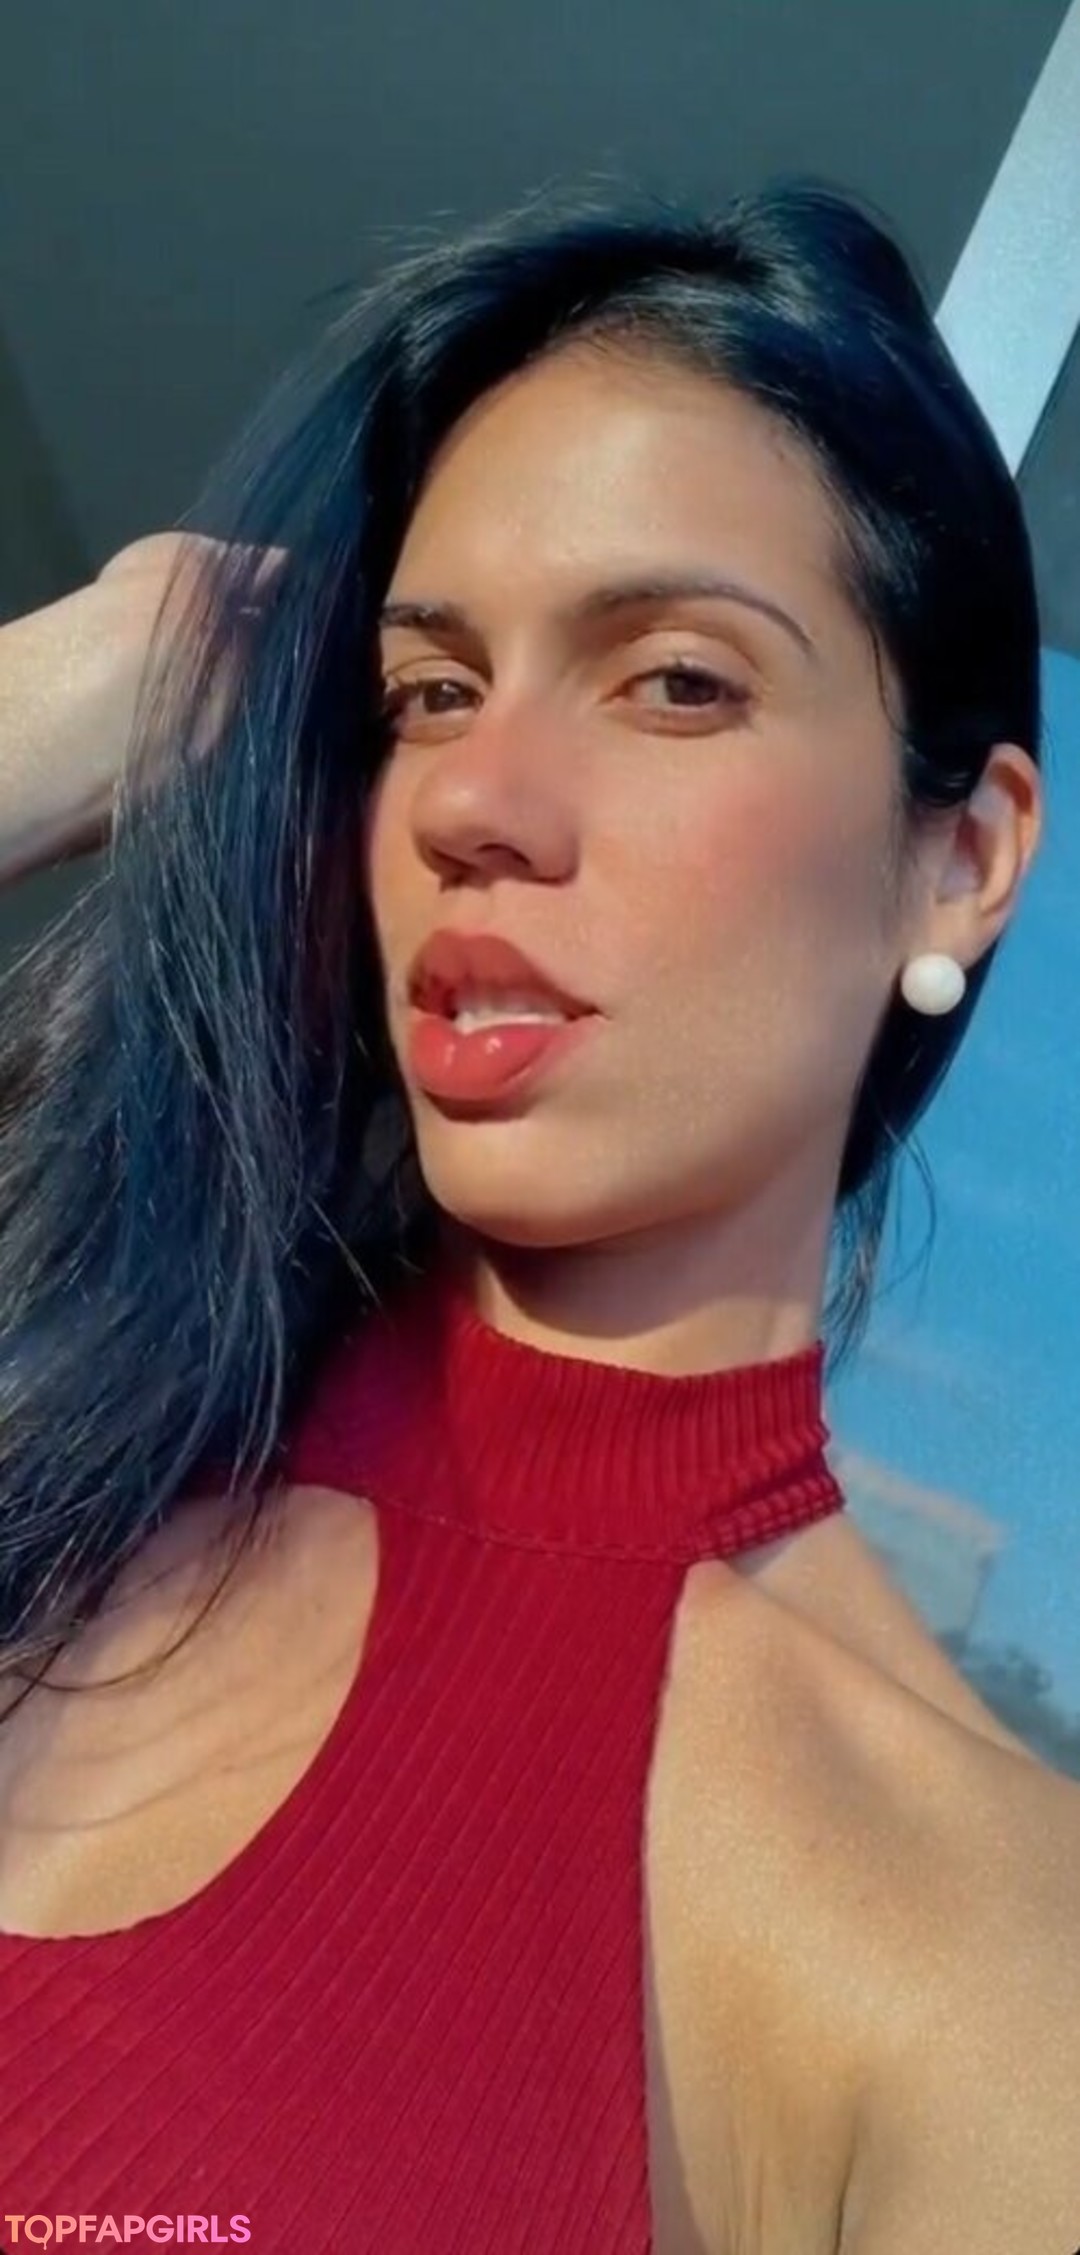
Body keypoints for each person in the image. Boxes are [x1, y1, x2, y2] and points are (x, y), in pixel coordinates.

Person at [0, 176, 1075, 2253]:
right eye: (427, 692)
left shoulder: (989, 1967)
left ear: (958, 861)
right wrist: (107, 671)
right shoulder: (80, 1420)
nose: (475, 802)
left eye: (674, 682)